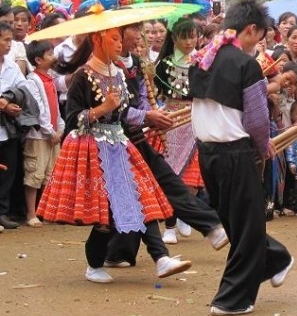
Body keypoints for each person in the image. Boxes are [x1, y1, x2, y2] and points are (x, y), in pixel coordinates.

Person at [37, 27, 192, 283]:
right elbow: (73, 119)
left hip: (119, 145)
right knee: (106, 217)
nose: (120, 44)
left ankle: (161, 258)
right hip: (92, 151)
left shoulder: (119, 72)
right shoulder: (83, 76)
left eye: (121, 39)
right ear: (97, 40)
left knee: (140, 198)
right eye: (115, 39)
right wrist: (102, 108)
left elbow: (123, 113)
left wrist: (144, 117)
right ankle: (96, 264)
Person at [189, 0, 293, 316]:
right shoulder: (246, 64)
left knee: (237, 222)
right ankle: (263, 269)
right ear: (250, 30)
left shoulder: (200, 58)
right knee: (244, 225)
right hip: (235, 152)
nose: (257, 46)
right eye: (258, 39)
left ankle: (248, 282)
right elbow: (258, 119)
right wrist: (264, 146)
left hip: (208, 152)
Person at [105, 22, 228, 268]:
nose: (139, 36)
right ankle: (146, 253)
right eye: (133, 30)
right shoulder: (103, 68)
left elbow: (142, 99)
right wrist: (146, 117)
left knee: (162, 182)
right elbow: (112, 110)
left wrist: (154, 115)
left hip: (136, 136)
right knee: (136, 194)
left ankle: (208, 227)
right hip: (111, 142)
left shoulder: (137, 64)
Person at [153, 18, 203, 244]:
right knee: (171, 175)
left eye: (193, 36)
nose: (189, 41)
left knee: (192, 179)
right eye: (184, 36)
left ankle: (185, 212)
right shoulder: (163, 64)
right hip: (172, 122)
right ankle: (170, 225)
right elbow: (158, 90)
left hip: (195, 120)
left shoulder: (202, 61)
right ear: (174, 39)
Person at [23, 41, 64, 227]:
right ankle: (31, 213)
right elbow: (38, 109)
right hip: (39, 135)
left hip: (53, 133)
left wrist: (60, 128)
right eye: (49, 54)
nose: (53, 57)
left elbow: (55, 106)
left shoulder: (50, 79)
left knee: (50, 174)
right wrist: (49, 130)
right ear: (38, 60)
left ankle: (46, 211)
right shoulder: (32, 81)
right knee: (35, 173)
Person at [0, 22, 28, 230]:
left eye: (10, 40)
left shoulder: (11, 66)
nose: (9, 45)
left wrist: (10, 102)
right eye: (5, 40)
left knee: (8, 171)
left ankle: (2, 212)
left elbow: (24, 88)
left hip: (7, 127)